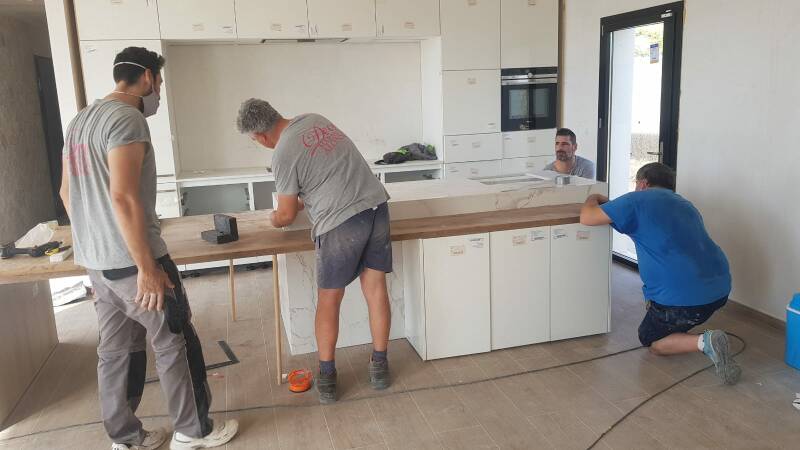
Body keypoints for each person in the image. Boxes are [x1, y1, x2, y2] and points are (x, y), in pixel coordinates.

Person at [60, 47, 238, 450]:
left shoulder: (79, 122)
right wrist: (146, 266)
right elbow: (123, 196)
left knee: (116, 352)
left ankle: (126, 438)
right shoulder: (127, 119)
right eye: (159, 82)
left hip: (98, 265)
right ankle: (194, 431)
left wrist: (95, 242)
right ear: (146, 77)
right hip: (134, 261)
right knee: (175, 341)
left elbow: (66, 193)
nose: (159, 91)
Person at [236, 99, 393, 404]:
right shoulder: (313, 119)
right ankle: (380, 368)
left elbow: (285, 216)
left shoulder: (282, 153)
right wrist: (300, 198)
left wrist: (272, 217)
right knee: (375, 289)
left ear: (261, 137)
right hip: (376, 206)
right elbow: (326, 172)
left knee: (329, 300)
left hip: (341, 222)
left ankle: (328, 379)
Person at [579, 162, 741, 385]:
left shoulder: (636, 200)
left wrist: (593, 197)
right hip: (720, 289)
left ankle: (705, 342)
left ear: (643, 183)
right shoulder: (685, 204)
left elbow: (587, 217)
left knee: (650, 339)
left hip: (684, 299)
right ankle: (678, 321)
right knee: (675, 311)